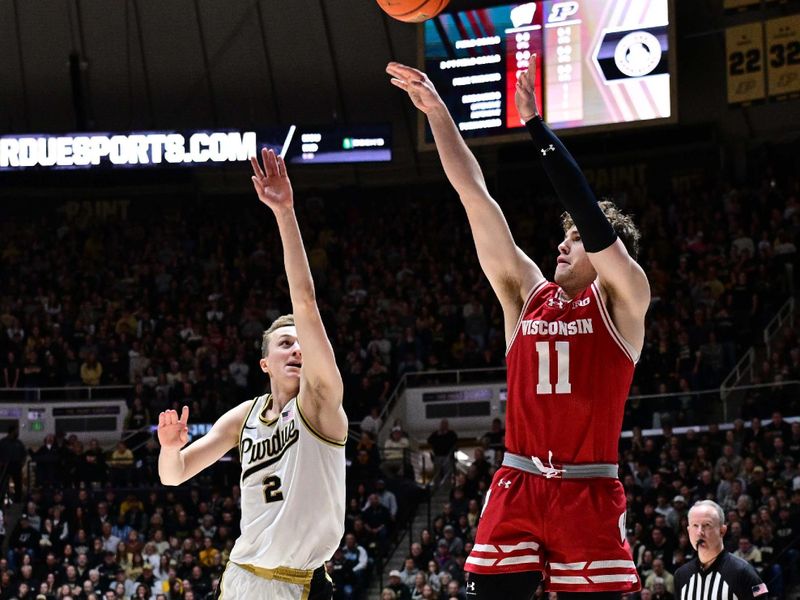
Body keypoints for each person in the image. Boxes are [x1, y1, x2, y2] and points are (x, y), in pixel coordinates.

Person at [387, 58, 649, 599]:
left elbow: (589, 214)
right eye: (565, 237)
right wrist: (439, 114)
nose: (561, 244)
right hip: (518, 483)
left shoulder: (625, 298)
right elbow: (475, 198)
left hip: (590, 489)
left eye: (574, 239)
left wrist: (536, 127)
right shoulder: (525, 293)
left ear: (604, 253)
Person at [157, 148, 347, 600]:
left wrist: (285, 212)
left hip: (296, 582)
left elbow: (305, 302)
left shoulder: (319, 403)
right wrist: (168, 449)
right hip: (243, 576)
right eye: (285, 343)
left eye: (301, 342)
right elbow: (174, 475)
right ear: (265, 363)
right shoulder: (244, 417)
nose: (297, 348)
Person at [675, 501, 768, 600]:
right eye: (695, 525)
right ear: (689, 531)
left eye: (707, 525)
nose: (699, 532)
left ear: (722, 531)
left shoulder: (745, 571)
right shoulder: (681, 575)